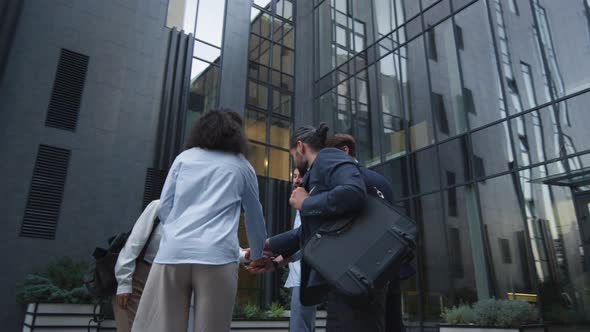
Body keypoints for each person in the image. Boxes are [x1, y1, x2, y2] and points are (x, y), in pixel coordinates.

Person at [131, 110, 268, 332]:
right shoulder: (242, 166)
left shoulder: (184, 158)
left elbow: (165, 206)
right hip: (217, 257)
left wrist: (178, 232)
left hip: (173, 254)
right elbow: (254, 216)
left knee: (163, 327)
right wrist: (259, 254)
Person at [255, 123, 387, 332]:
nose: (295, 164)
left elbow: (353, 192)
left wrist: (306, 203)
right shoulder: (317, 172)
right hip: (343, 276)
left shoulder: (328, 158)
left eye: (292, 156)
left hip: (355, 271)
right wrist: (271, 247)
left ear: (300, 146)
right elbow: (316, 230)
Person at [326, 133, 405, 332]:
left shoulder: (349, 181)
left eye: (330, 156)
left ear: (345, 150)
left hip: (361, 273)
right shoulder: (381, 180)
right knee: (392, 322)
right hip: (389, 263)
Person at [113, 200, 162, 332]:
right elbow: (133, 243)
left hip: (165, 277)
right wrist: (124, 282)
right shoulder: (159, 205)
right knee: (129, 326)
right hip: (139, 274)